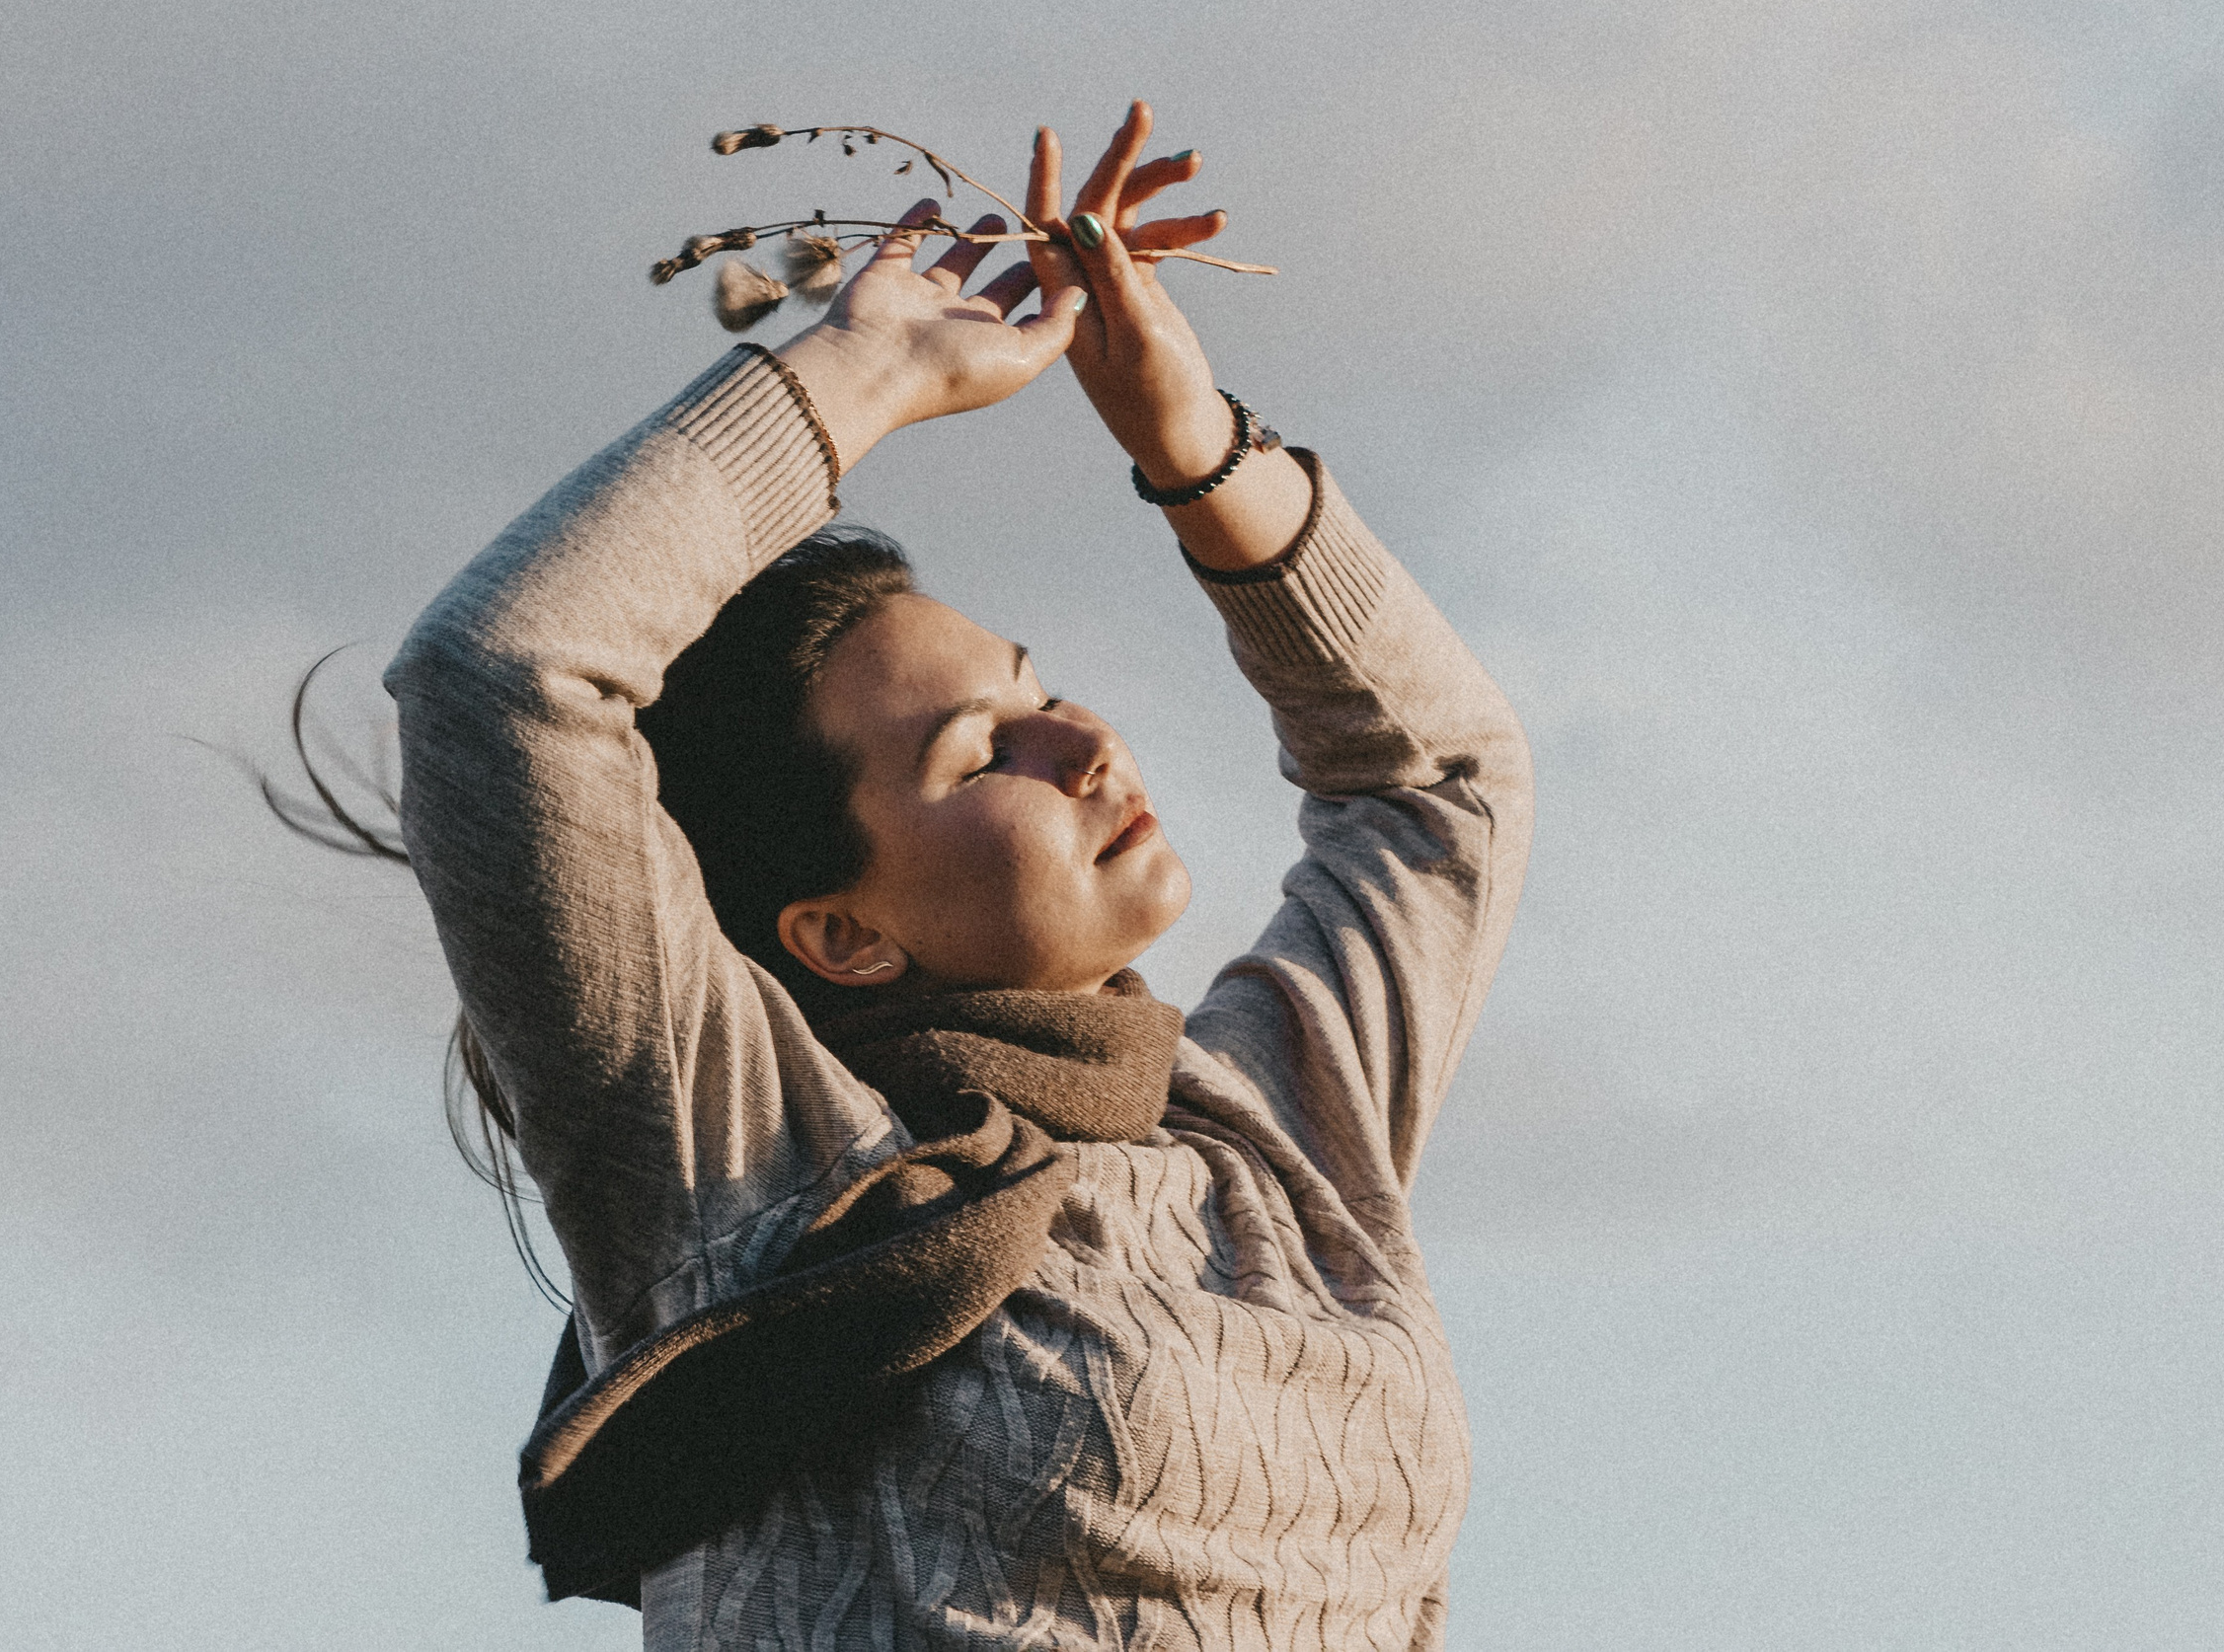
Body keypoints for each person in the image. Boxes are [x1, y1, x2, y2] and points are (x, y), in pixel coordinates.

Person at [383, 102, 1531, 1650]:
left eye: (1036, 682)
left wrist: (1196, 451)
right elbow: (498, 682)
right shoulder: (753, 1168)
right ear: (840, 934)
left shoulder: (1274, 1125)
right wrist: (864, 376)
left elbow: (1438, 781)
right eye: (981, 752)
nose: (1079, 738)